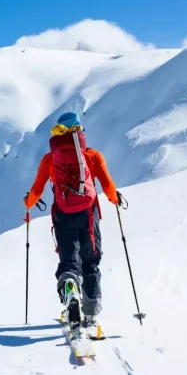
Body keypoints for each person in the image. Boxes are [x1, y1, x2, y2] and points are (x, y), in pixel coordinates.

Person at [23, 111, 119, 323]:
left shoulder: (50, 159)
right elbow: (108, 186)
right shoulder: (93, 156)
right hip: (89, 214)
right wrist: (115, 199)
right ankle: (91, 314)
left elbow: (37, 190)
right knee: (90, 261)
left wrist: (28, 203)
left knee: (69, 260)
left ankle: (71, 293)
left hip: (64, 214)